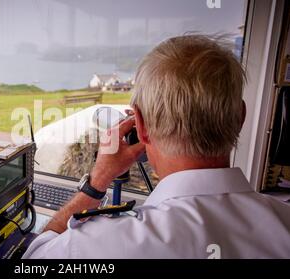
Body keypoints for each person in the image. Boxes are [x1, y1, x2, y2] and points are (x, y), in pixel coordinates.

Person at [22, 35, 290, 258]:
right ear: (240, 118)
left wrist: (98, 180)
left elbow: (34, 258)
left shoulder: (101, 244)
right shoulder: (283, 222)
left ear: (140, 125)